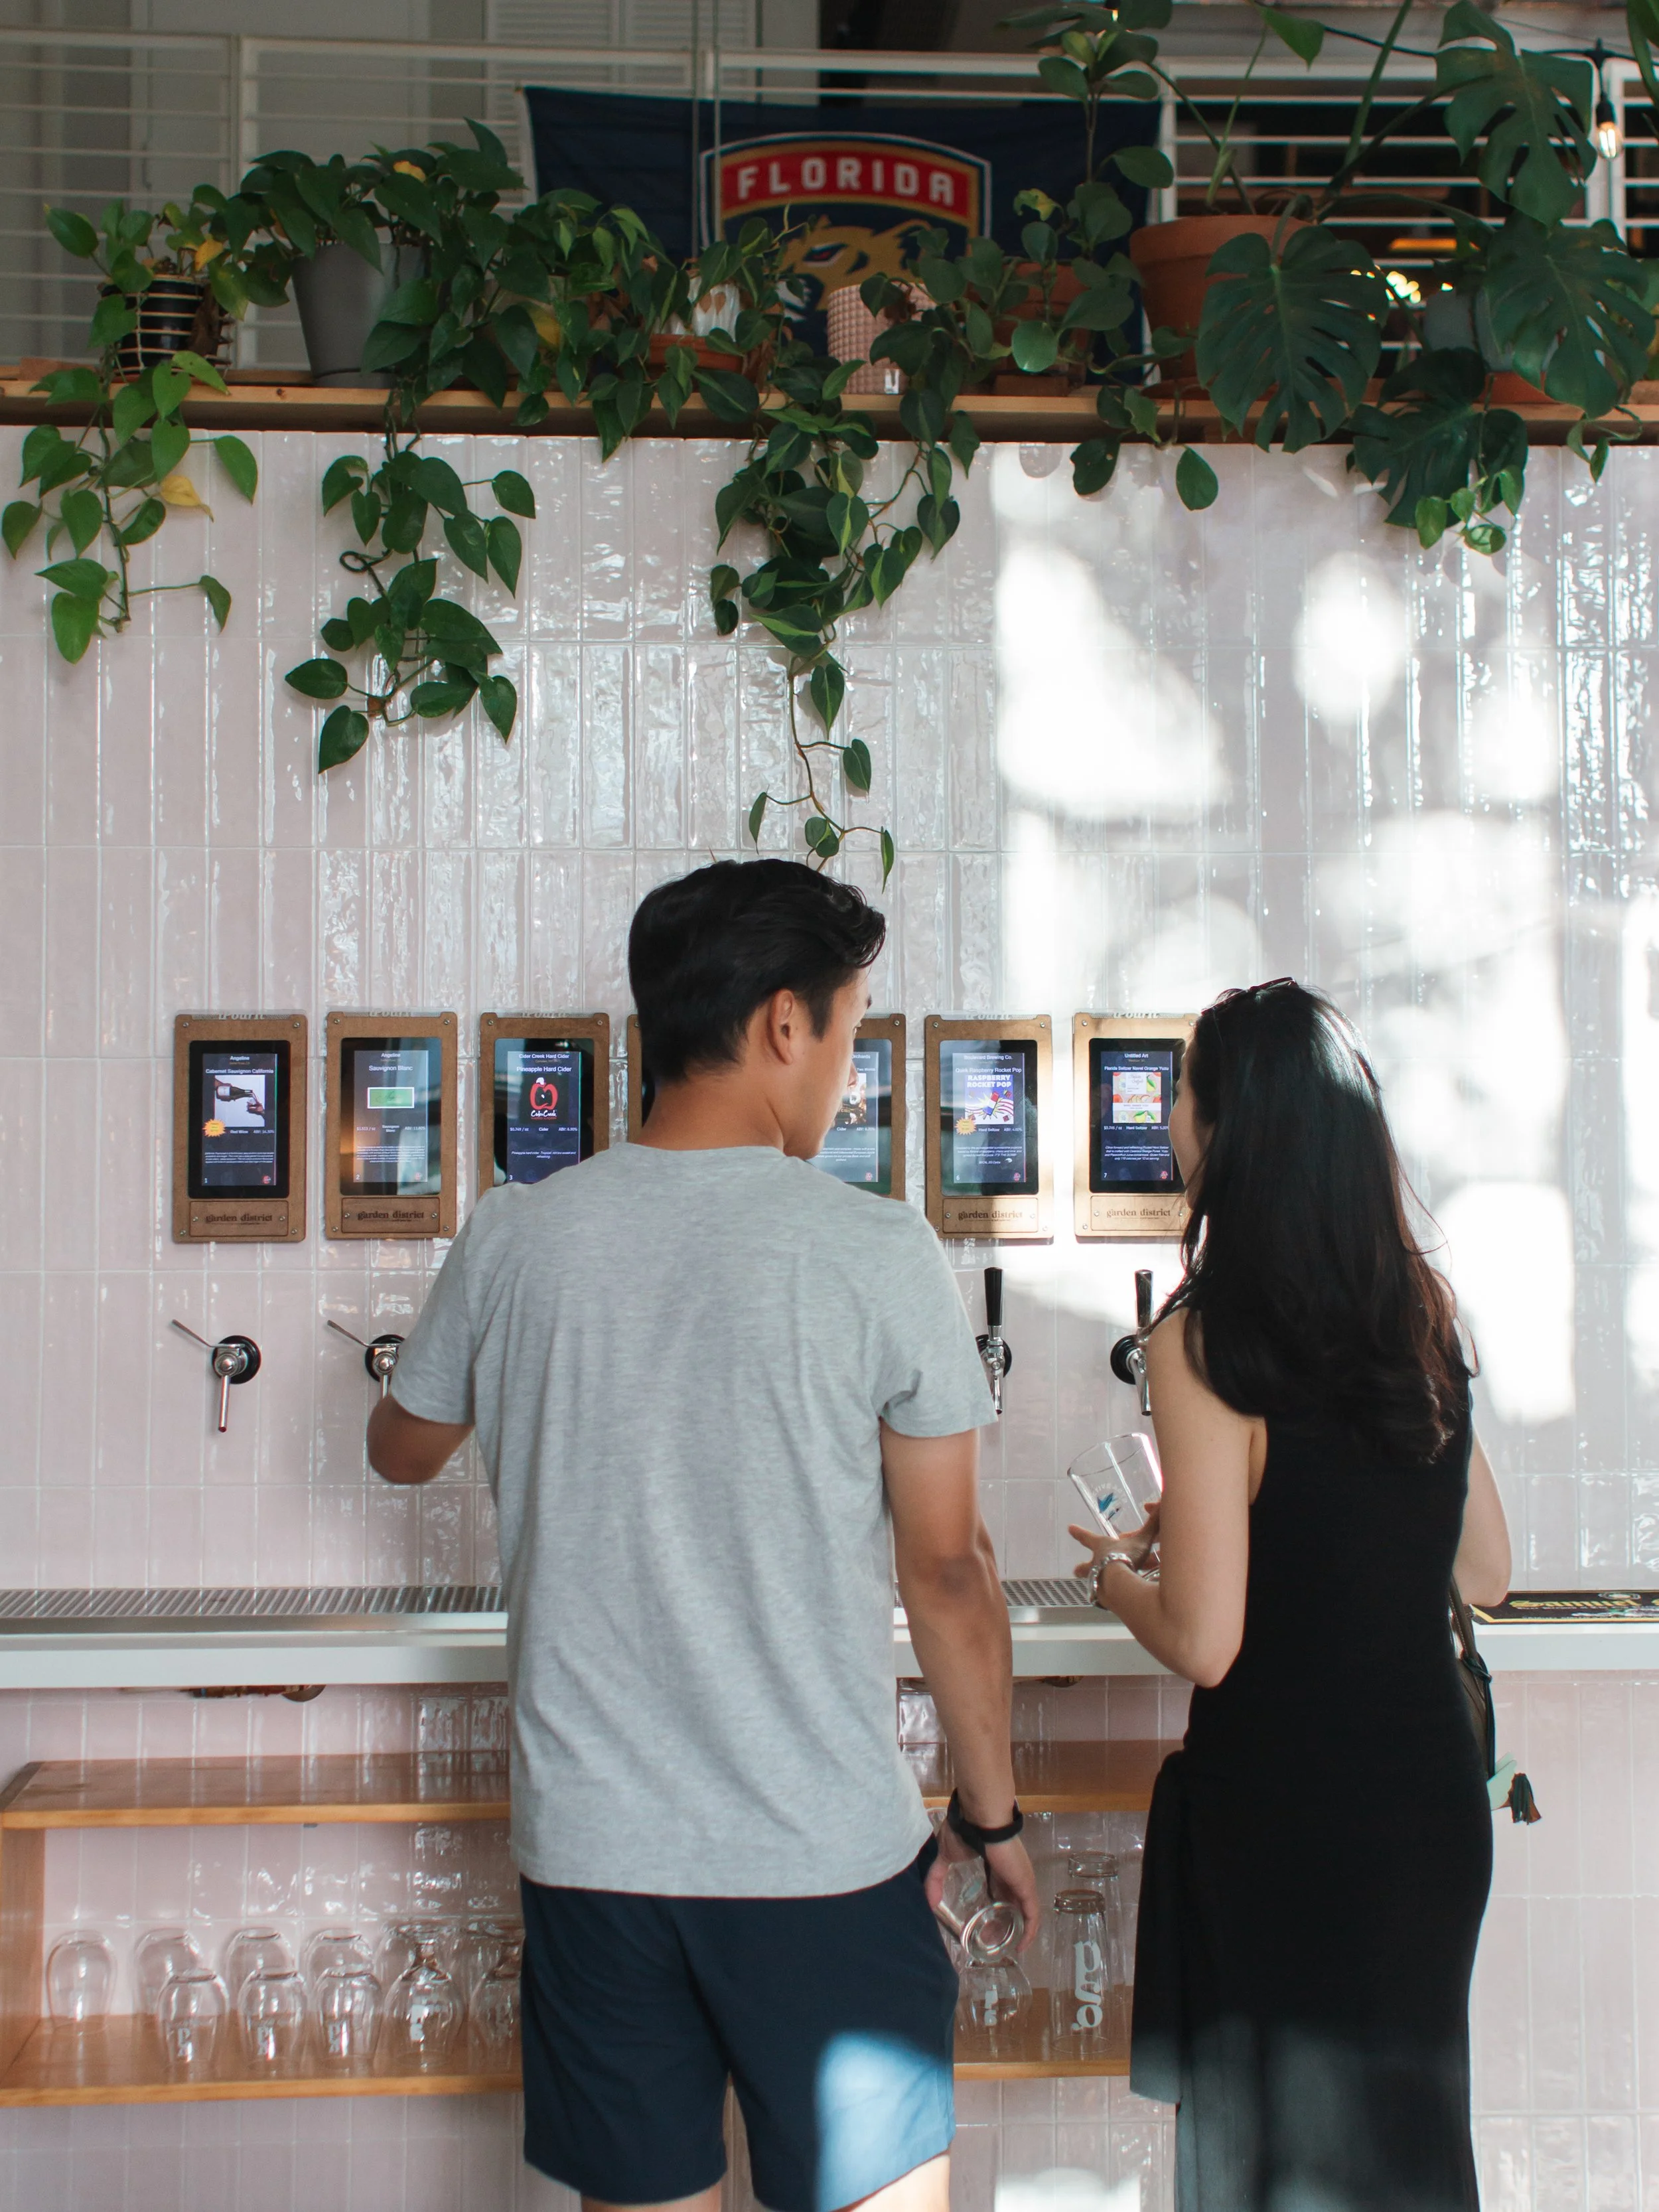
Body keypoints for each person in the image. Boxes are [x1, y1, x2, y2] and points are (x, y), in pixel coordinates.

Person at [367, 858, 1039, 2212]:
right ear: (783, 1025)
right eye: (848, 1032)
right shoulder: (872, 1249)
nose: (843, 1072)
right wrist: (991, 1812)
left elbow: (400, 1446)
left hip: (595, 1861)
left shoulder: (517, 1235)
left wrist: (504, 1383)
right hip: (822, 1859)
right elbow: (948, 1569)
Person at [1069, 980, 1510, 2212]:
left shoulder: (1205, 1337)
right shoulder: (1416, 1309)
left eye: (1182, 1096)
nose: (1168, 1122)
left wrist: (1115, 1578)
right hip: (1426, 1815)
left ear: (1231, 1129)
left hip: (1288, 1825)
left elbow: (1208, 1642)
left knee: (1273, 2171)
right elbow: (1483, 1566)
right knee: (1410, 2159)